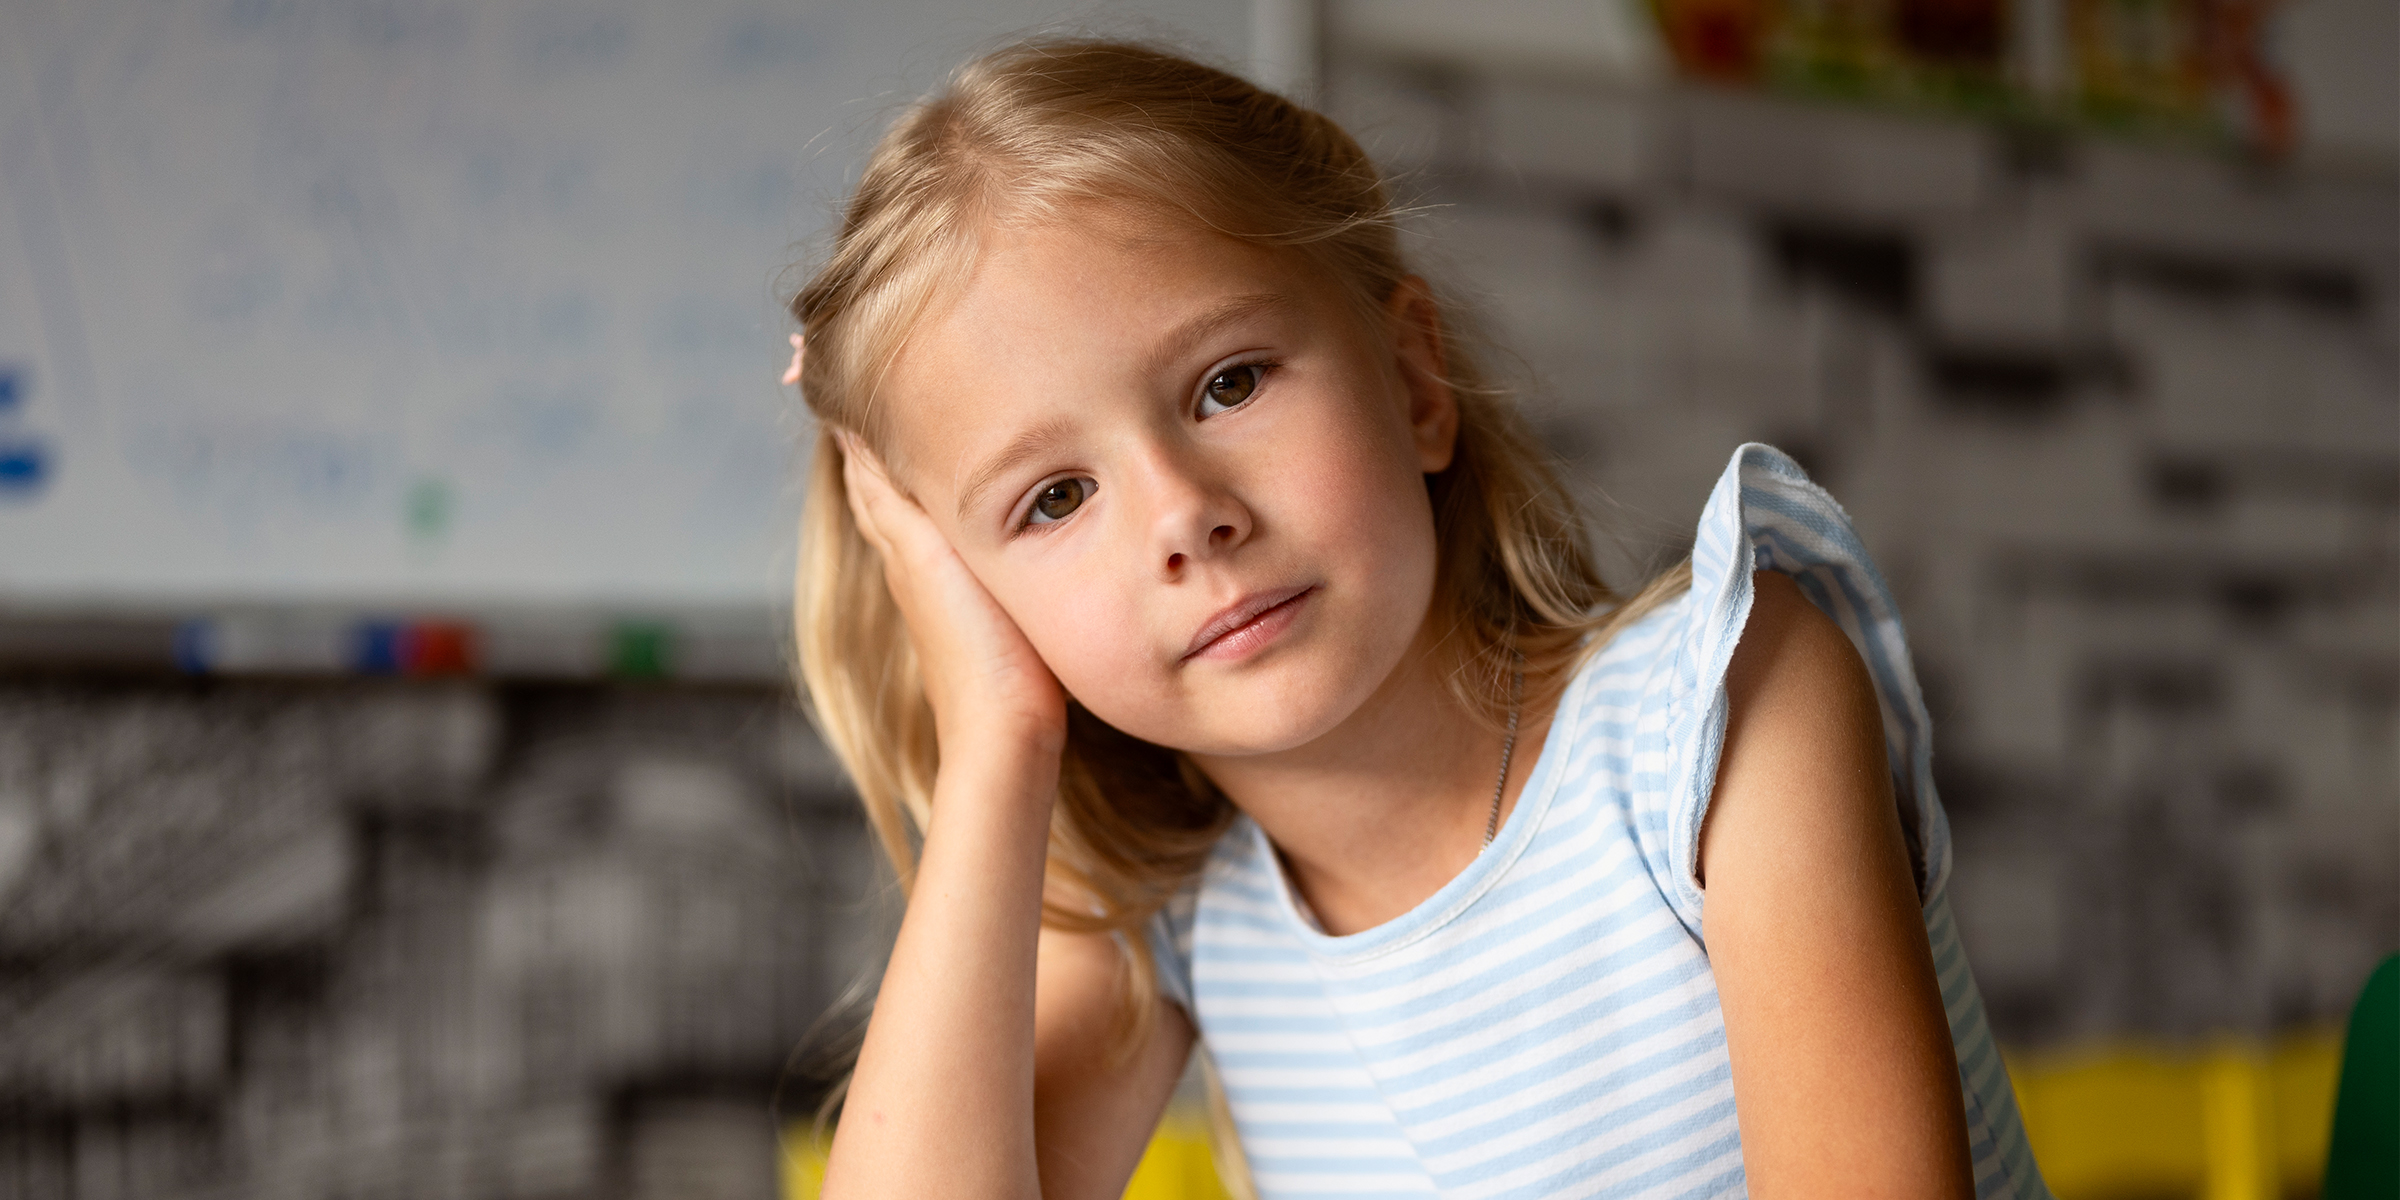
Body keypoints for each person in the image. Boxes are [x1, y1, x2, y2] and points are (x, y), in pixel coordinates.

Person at [781, 37, 2048, 1200]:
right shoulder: (1186, 917)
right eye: (1054, 498)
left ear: (1413, 381)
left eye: (1228, 383)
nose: (1183, 515)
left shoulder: (1722, 708)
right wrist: (1000, 733)